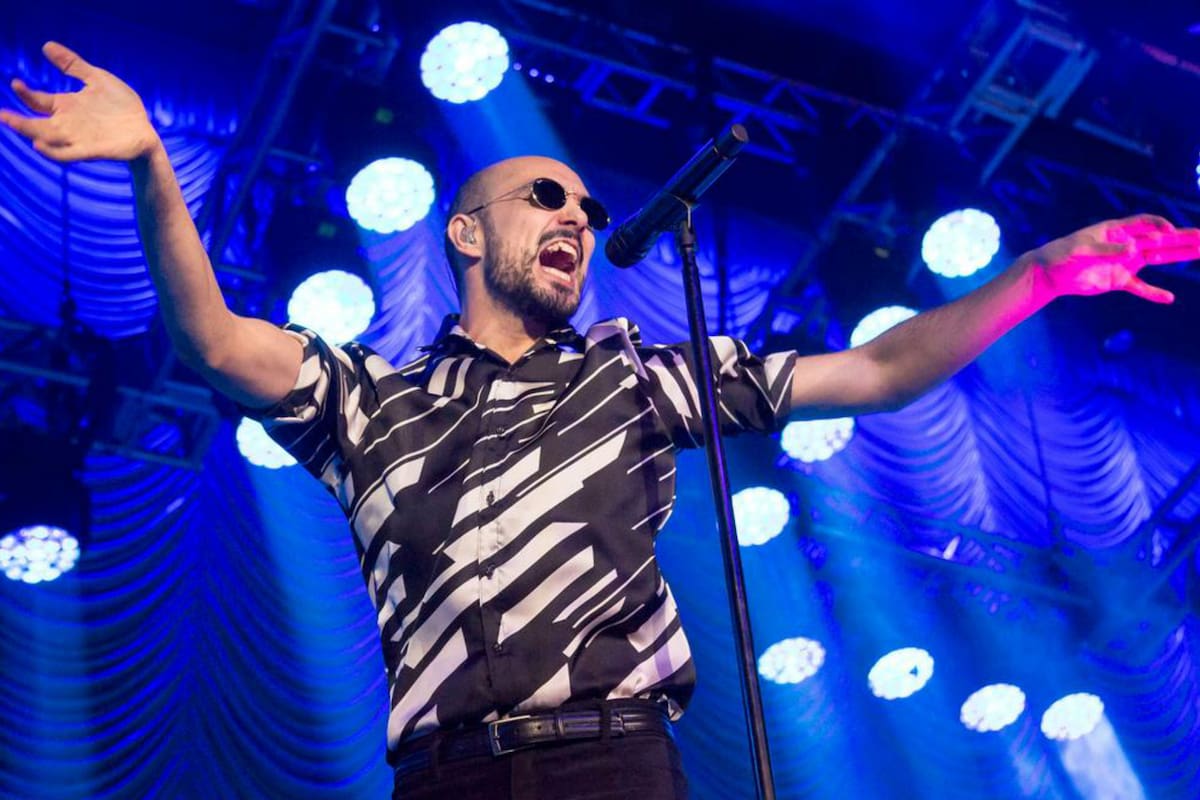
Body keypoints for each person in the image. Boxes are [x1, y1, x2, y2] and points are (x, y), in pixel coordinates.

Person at [4, 41, 1199, 800]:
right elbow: (214, 340)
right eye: (540, 197)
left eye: (583, 202)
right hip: (444, 775)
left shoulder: (633, 375)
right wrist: (155, 159)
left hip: (611, 762)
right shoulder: (367, 396)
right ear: (464, 232)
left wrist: (1038, 270)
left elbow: (880, 371)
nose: (573, 214)